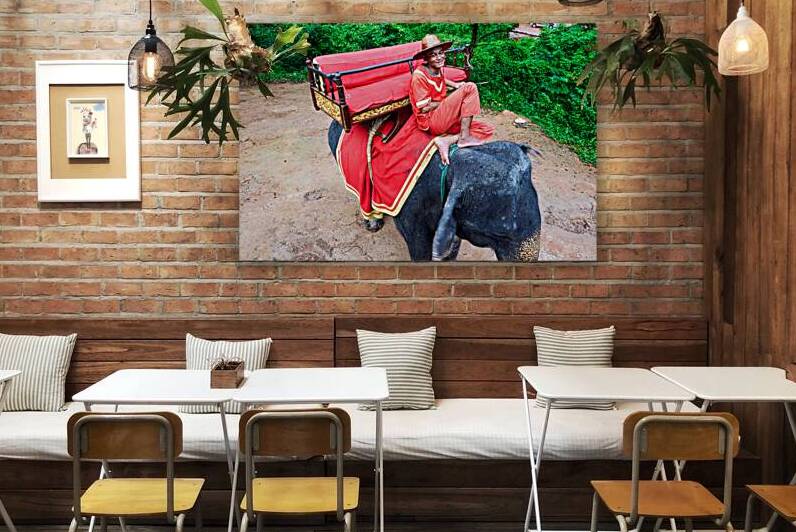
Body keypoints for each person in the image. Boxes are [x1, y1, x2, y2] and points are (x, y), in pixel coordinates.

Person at [409, 34, 494, 165]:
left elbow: (441, 79)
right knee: (470, 87)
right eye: (433, 55)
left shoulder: (437, 68)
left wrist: (455, 85)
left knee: (485, 129)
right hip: (431, 120)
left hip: (441, 116)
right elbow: (424, 107)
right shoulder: (419, 76)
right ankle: (464, 138)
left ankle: (447, 140)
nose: (439, 57)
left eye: (441, 53)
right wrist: (449, 103)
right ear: (426, 58)